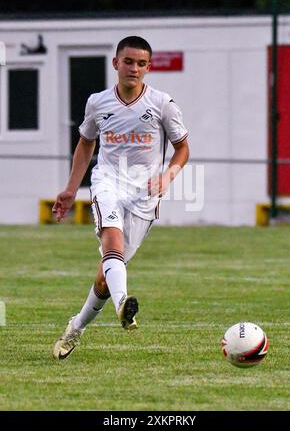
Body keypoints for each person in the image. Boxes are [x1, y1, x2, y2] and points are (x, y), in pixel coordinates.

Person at [52, 36, 189, 360]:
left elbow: (182, 148)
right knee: (111, 244)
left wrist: (167, 175)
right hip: (108, 182)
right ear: (115, 63)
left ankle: (76, 328)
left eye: (141, 63)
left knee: (105, 276)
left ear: (148, 67)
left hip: (144, 195)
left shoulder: (162, 104)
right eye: (128, 61)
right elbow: (86, 144)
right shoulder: (98, 102)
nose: (134, 68)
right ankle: (123, 305)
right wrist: (72, 188)